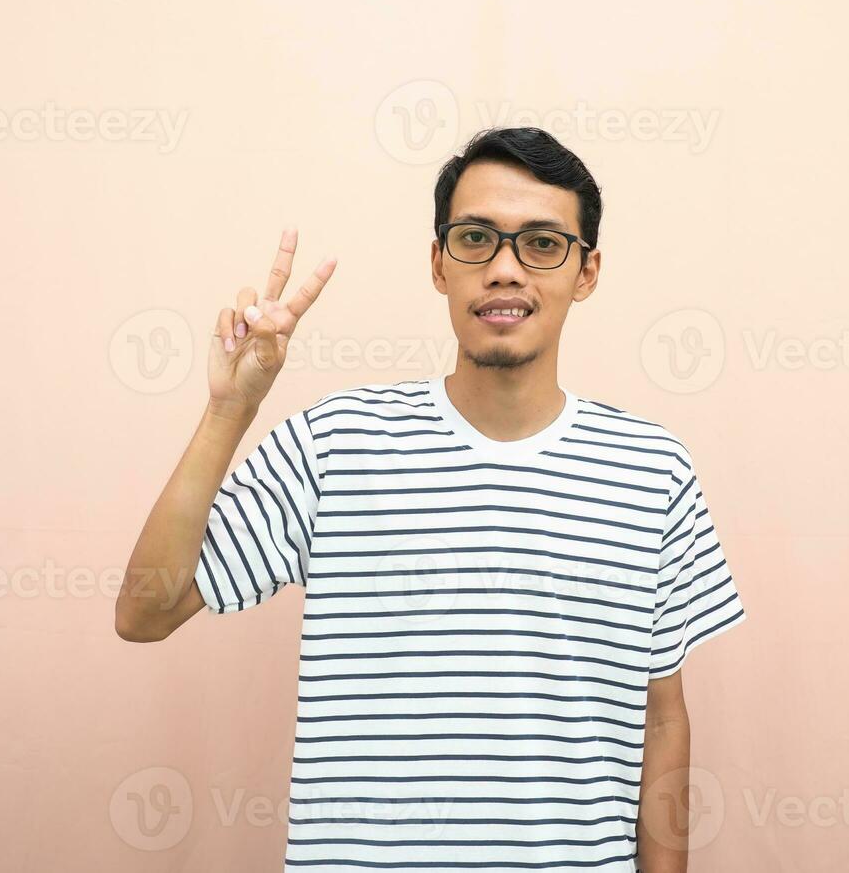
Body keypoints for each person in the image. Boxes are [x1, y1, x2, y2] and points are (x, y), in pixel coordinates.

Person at [115, 127, 746, 872]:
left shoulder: (651, 471)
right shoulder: (336, 445)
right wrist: (231, 410)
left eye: (542, 244)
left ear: (587, 271)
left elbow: (663, 721)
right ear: (439, 264)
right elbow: (144, 612)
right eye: (477, 238)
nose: (506, 269)